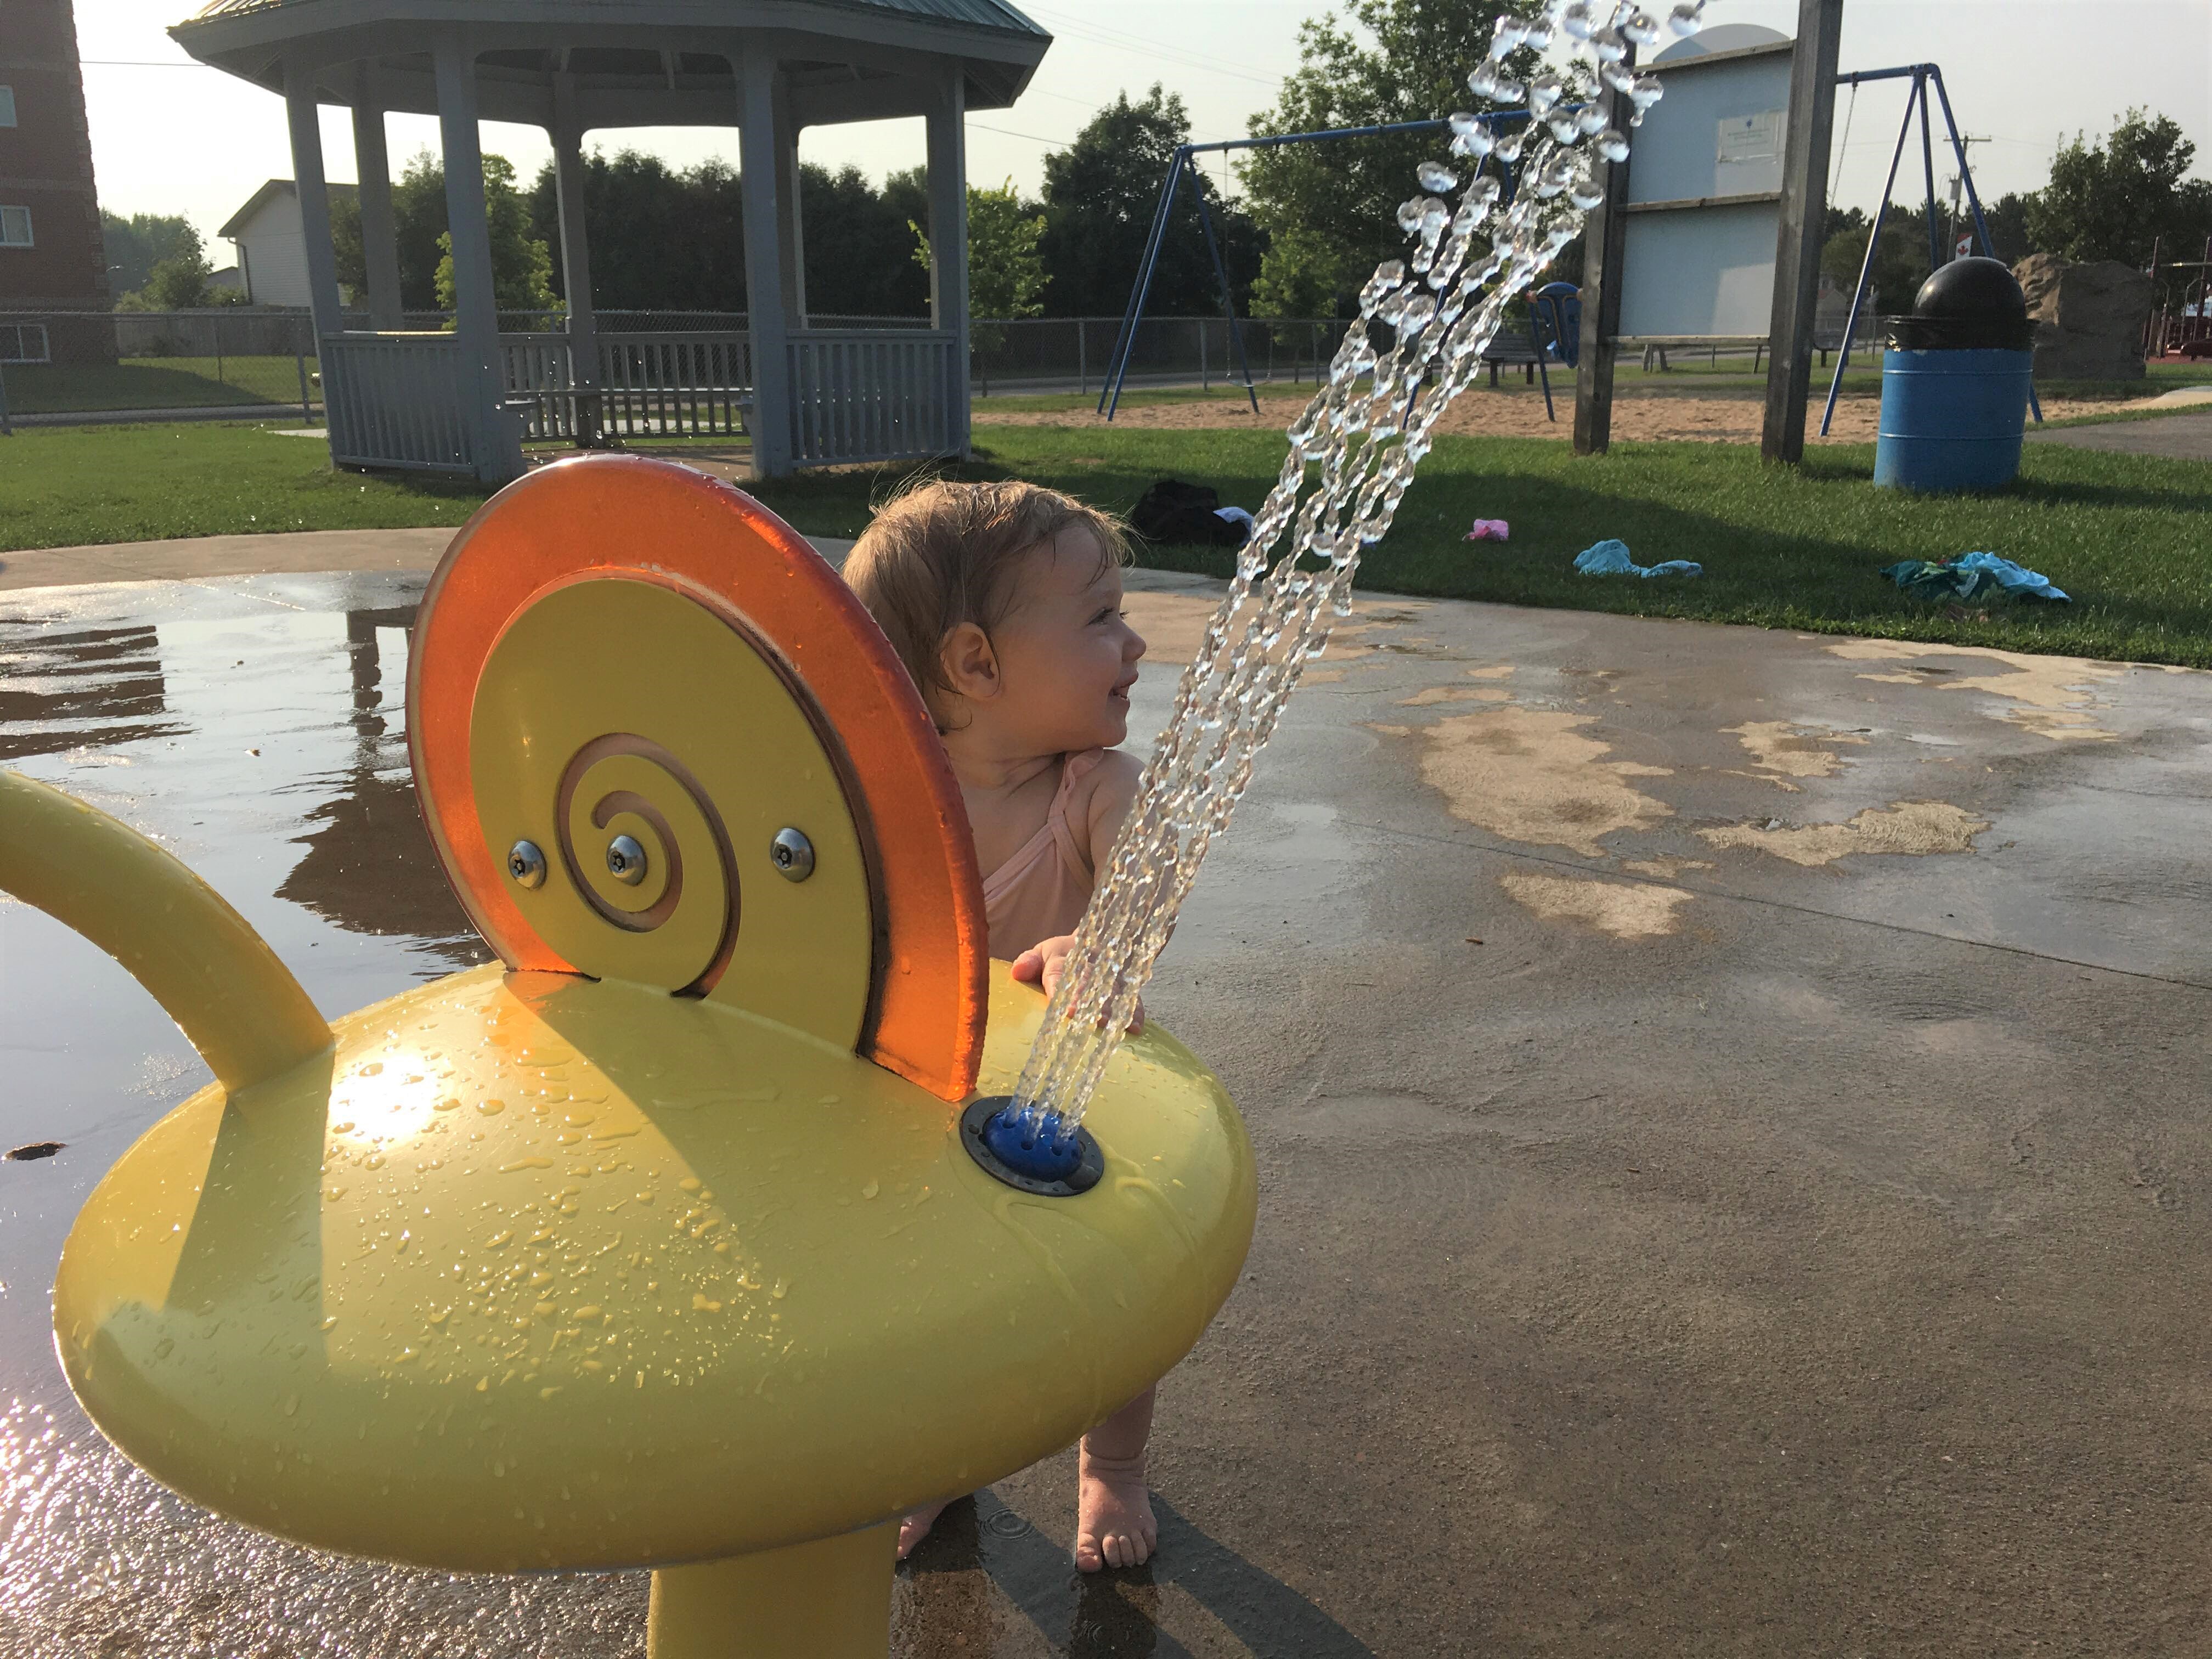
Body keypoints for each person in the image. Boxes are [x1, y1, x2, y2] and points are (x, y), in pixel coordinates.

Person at [844, 477, 1158, 1573]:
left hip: (1073, 1107)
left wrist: (1100, 956)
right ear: (977, 665)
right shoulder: (884, 804)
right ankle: (940, 1461)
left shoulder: (1100, 793)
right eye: (1102, 618)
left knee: (1116, 1292)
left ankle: (1112, 1465)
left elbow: (1146, 915)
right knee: (932, 1303)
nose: (1138, 639)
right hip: (930, 1103)